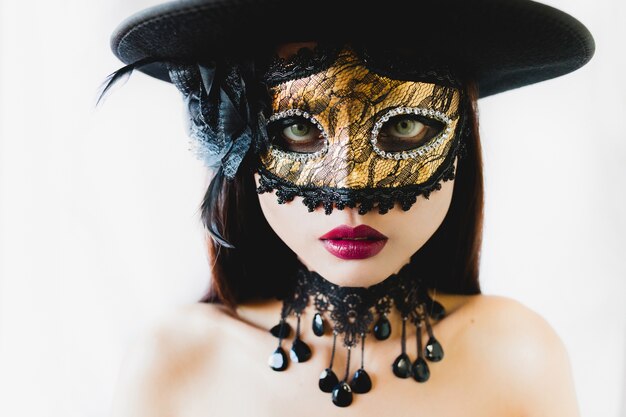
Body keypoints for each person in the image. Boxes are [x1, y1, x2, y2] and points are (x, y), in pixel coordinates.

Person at [104, 0, 595, 415]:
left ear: (462, 139)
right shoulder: (173, 361)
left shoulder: (518, 355)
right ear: (240, 144)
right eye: (298, 130)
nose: (350, 193)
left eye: (405, 126)